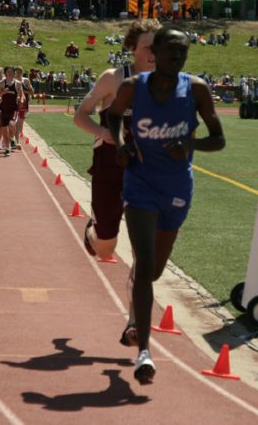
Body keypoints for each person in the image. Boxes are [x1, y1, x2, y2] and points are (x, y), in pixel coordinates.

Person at [107, 25, 225, 384]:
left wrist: (190, 145)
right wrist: (120, 144)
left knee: (154, 270)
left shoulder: (197, 90)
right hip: (140, 183)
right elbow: (112, 116)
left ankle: (133, 318)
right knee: (144, 264)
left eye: (183, 53)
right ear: (154, 52)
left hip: (176, 188)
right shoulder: (132, 88)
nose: (177, 58)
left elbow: (218, 140)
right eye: (171, 51)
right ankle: (144, 350)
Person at [73, 20, 159, 262]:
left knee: (143, 248)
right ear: (132, 47)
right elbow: (80, 115)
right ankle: (95, 230)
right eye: (147, 47)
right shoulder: (113, 78)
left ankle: (138, 294)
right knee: (105, 250)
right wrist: (102, 132)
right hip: (110, 168)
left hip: (146, 172)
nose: (153, 53)